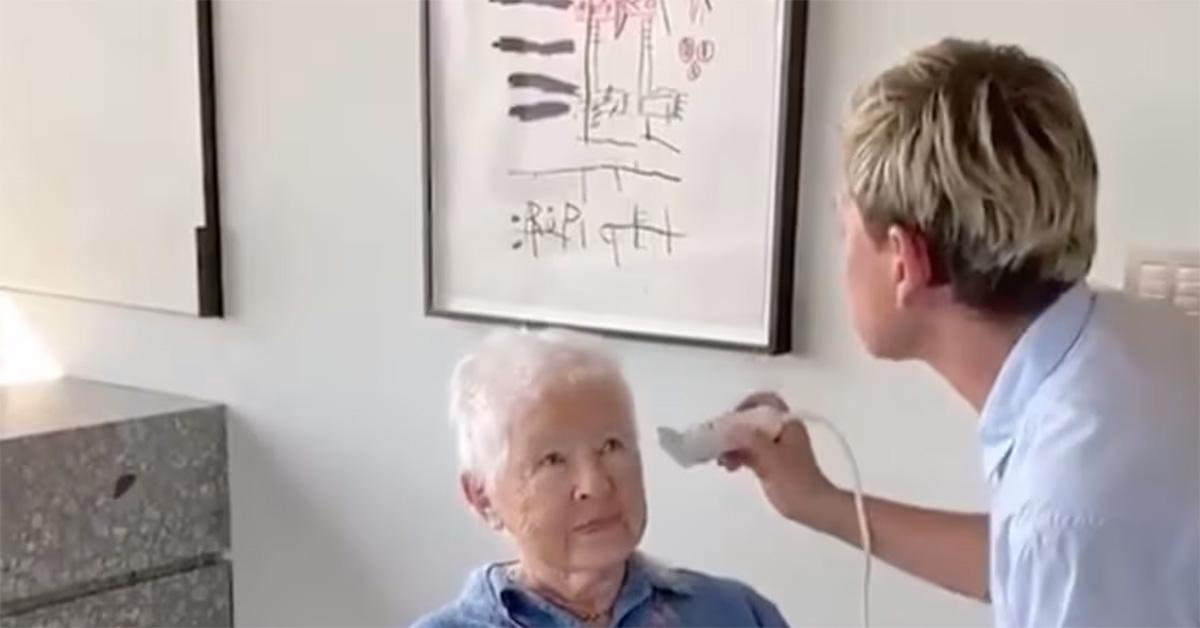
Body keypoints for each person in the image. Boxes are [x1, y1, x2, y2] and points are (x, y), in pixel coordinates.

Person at [720, 38, 1199, 627]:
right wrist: (822, 503)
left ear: (903, 261)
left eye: (844, 225)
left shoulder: (1067, 506)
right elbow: (1031, 557)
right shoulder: (1141, 337)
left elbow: (1059, 541)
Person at [415, 329, 788, 627]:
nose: (595, 484)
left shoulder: (734, 613)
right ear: (482, 497)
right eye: (553, 460)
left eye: (611, 446)